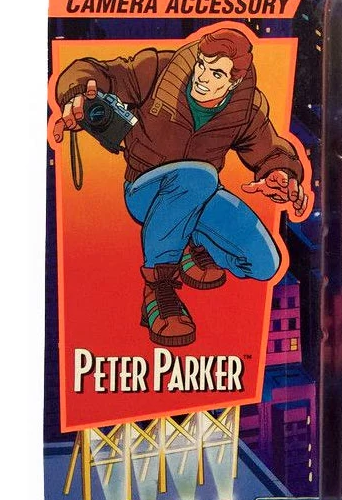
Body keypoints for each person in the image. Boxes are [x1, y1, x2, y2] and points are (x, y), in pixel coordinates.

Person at [53, 27, 309, 348]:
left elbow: (270, 148)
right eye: (202, 64)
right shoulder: (158, 70)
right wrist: (77, 92)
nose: (202, 77)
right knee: (200, 176)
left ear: (234, 82)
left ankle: (190, 241)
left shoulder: (245, 108)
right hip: (144, 189)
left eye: (216, 73)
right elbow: (93, 71)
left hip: (200, 195)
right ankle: (158, 288)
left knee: (264, 263)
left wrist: (281, 173)